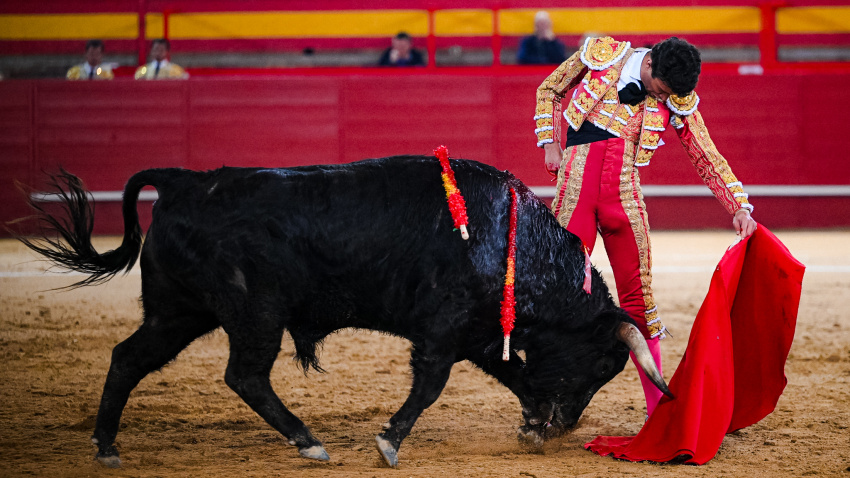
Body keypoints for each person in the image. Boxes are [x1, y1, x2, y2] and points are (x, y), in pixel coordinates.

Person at [533, 36, 757, 418]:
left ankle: (658, 414)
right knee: (558, 295)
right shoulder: (602, 54)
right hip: (575, 191)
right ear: (649, 64)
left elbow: (704, 151)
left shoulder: (675, 94)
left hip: (625, 196)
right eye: (662, 91)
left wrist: (738, 205)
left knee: (641, 302)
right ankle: (542, 402)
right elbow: (550, 88)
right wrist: (549, 142)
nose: (663, 99)